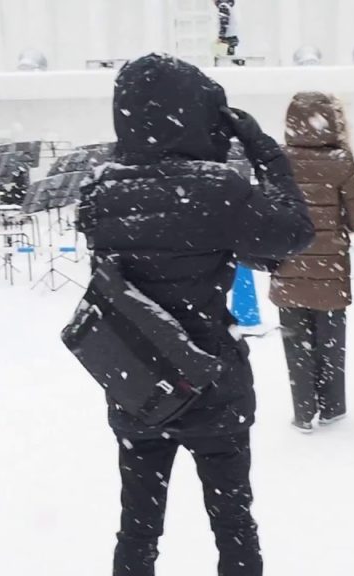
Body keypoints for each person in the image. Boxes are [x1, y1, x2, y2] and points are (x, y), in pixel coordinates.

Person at [76, 53, 313, 576]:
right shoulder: (216, 189)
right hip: (211, 383)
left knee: (137, 525)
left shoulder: (100, 191)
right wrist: (264, 153)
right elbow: (291, 235)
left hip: (140, 381)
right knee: (233, 524)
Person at [273, 91, 354, 432]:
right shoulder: (341, 160)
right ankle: (332, 407)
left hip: (288, 267)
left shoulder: (279, 160)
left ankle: (303, 412)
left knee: (295, 344)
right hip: (330, 270)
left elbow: (268, 212)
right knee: (330, 342)